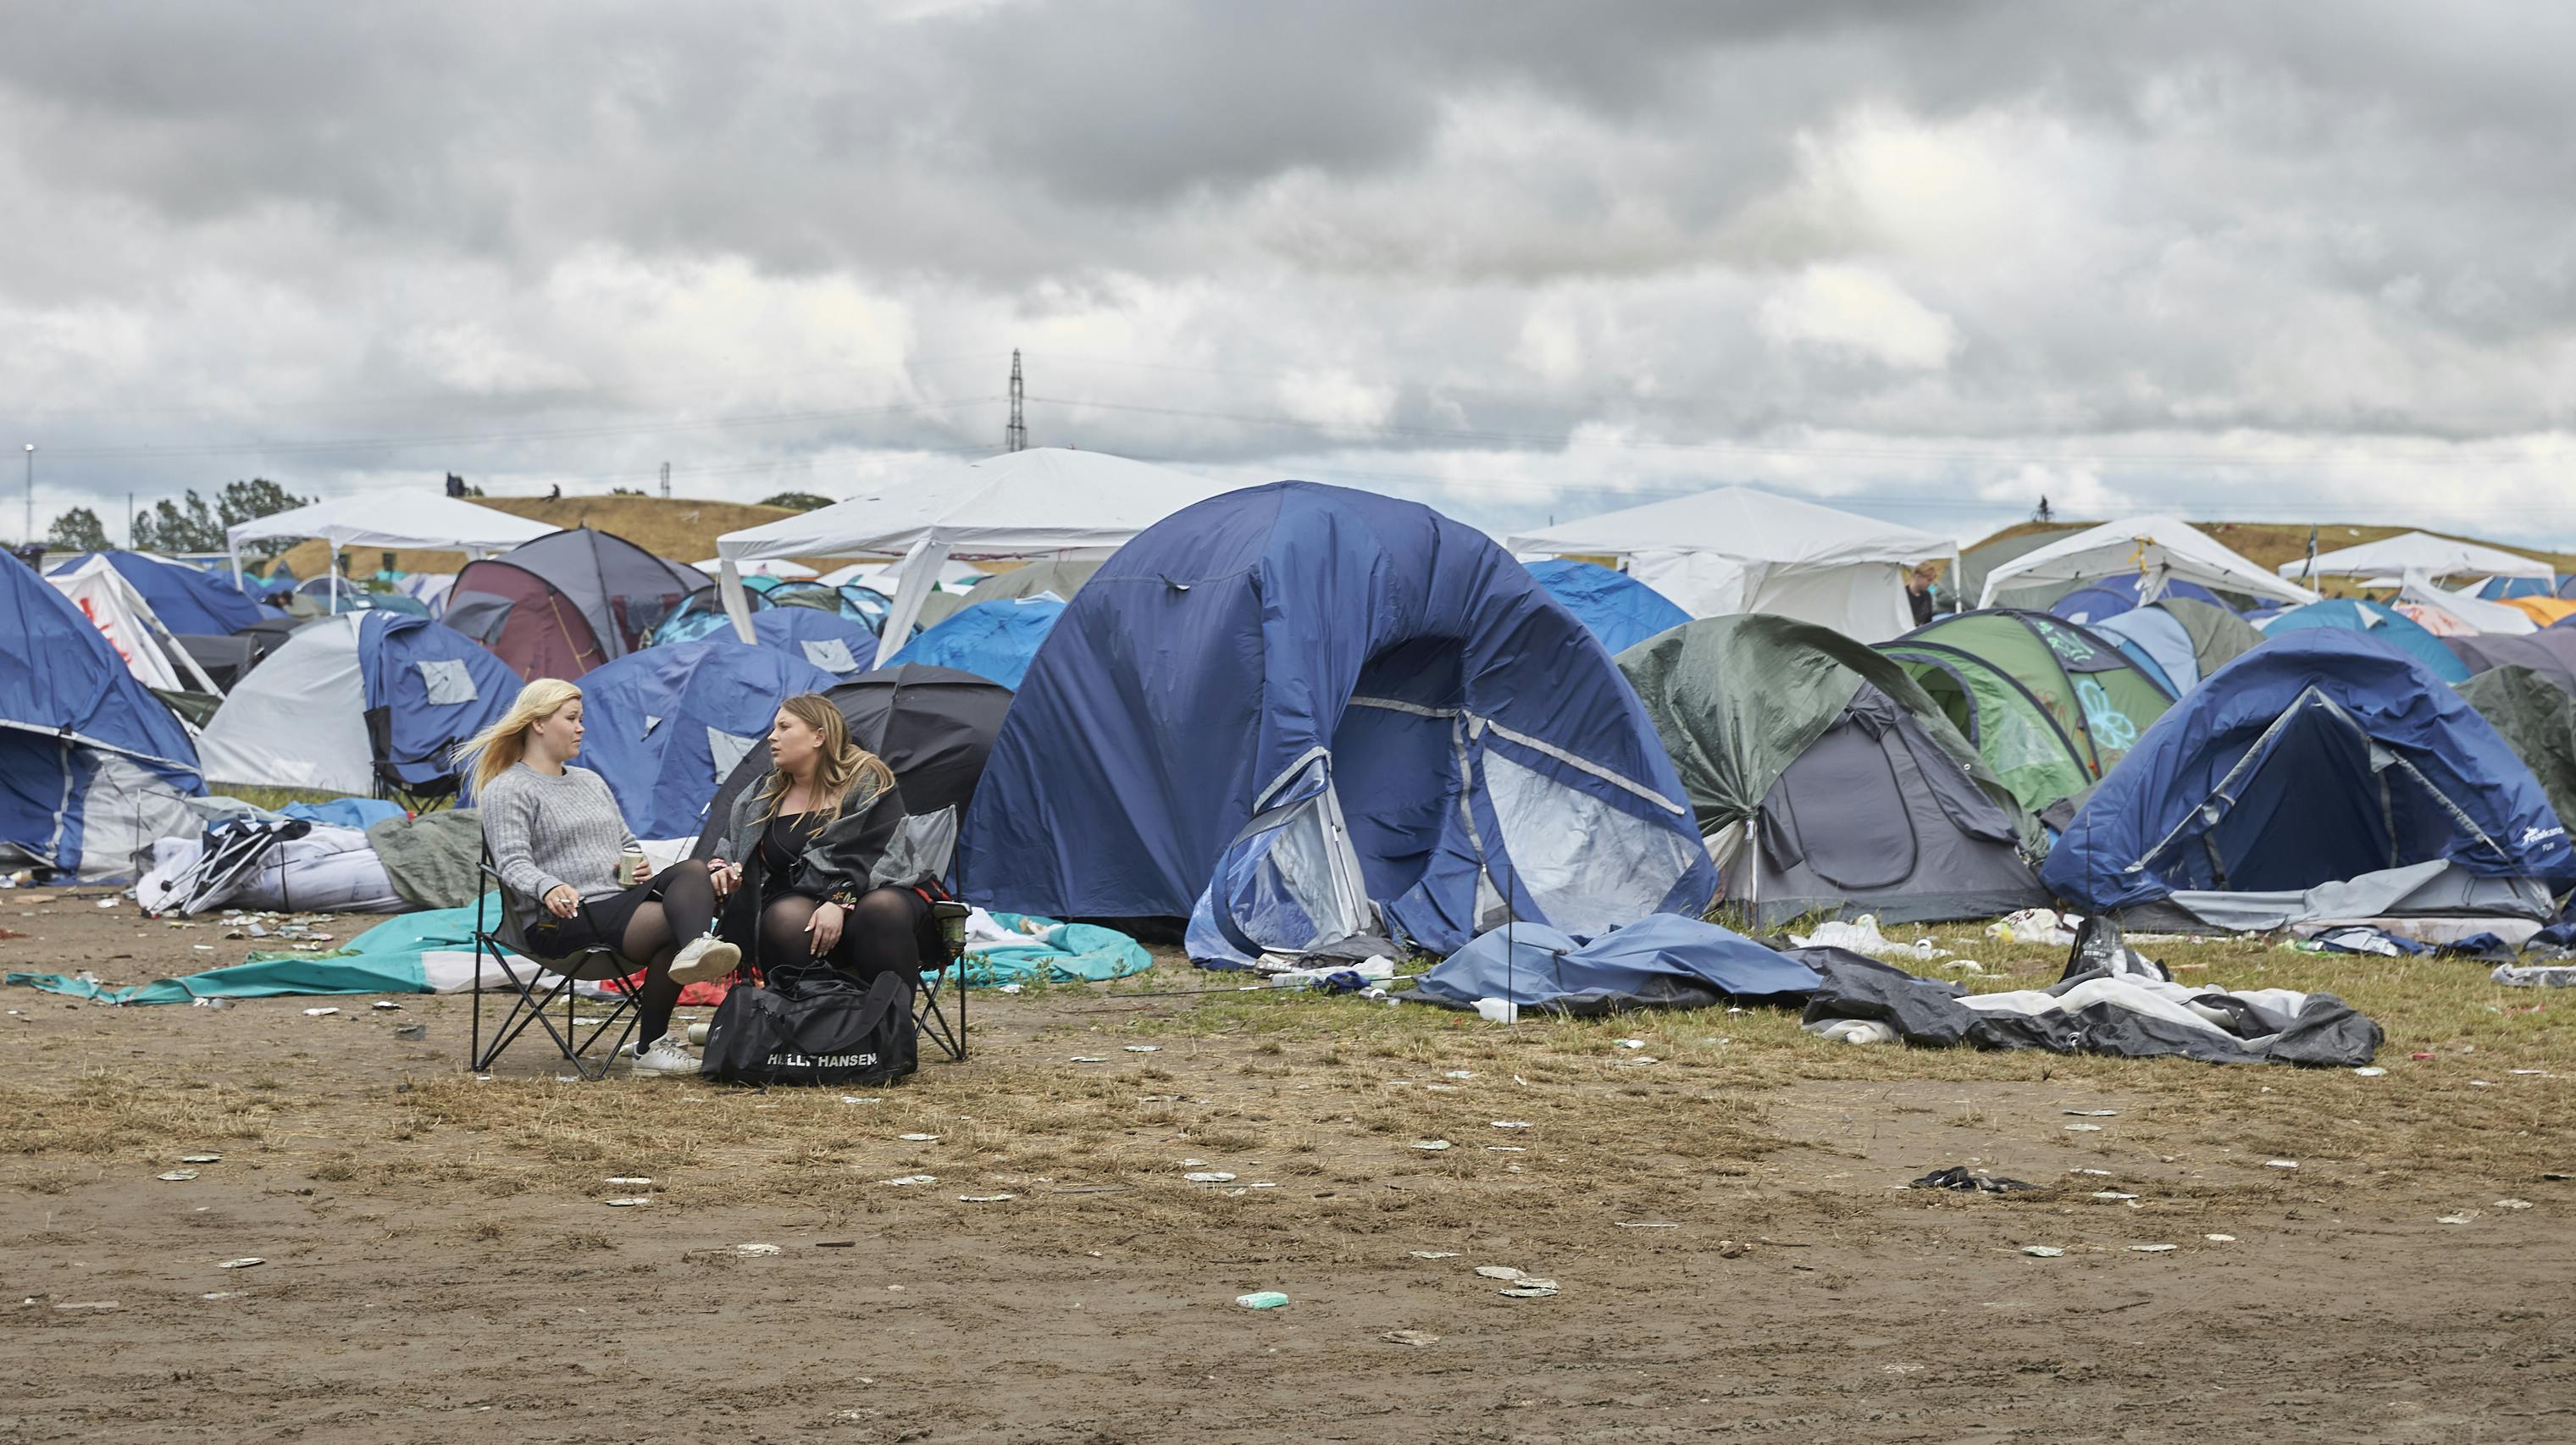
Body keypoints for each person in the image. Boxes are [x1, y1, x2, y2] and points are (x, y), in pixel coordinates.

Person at [461, 678, 737, 1077]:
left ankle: (688, 964)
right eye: (571, 719)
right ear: (538, 723)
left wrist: (636, 866)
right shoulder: (510, 788)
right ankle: (657, 1032)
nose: (581, 728)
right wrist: (549, 886)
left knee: (693, 870)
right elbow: (512, 863)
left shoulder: (589, 781)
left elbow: (625, 844)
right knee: (671, 923)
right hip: (560, 919)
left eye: (580, 719)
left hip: (616, 906)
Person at [704, 694, 937, 990]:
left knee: (881, 909)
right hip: (799, 902)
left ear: (819, 737)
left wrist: (839, 901)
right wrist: (724, 873)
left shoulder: (867, 779)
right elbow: (730, 848)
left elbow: (880, 851)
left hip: (877, 894)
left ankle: (889, 1026)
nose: (772, 737)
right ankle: (813, 1025)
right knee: (785, 919)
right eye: (774, 728)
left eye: (784, 727)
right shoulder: (763, 794)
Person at [1907, 560, 1943, 627]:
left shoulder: (1927, 595)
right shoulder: (1904, 595)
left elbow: (1928, 621)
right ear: (1917, 576)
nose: (1931, 583)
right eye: (1928, 580)